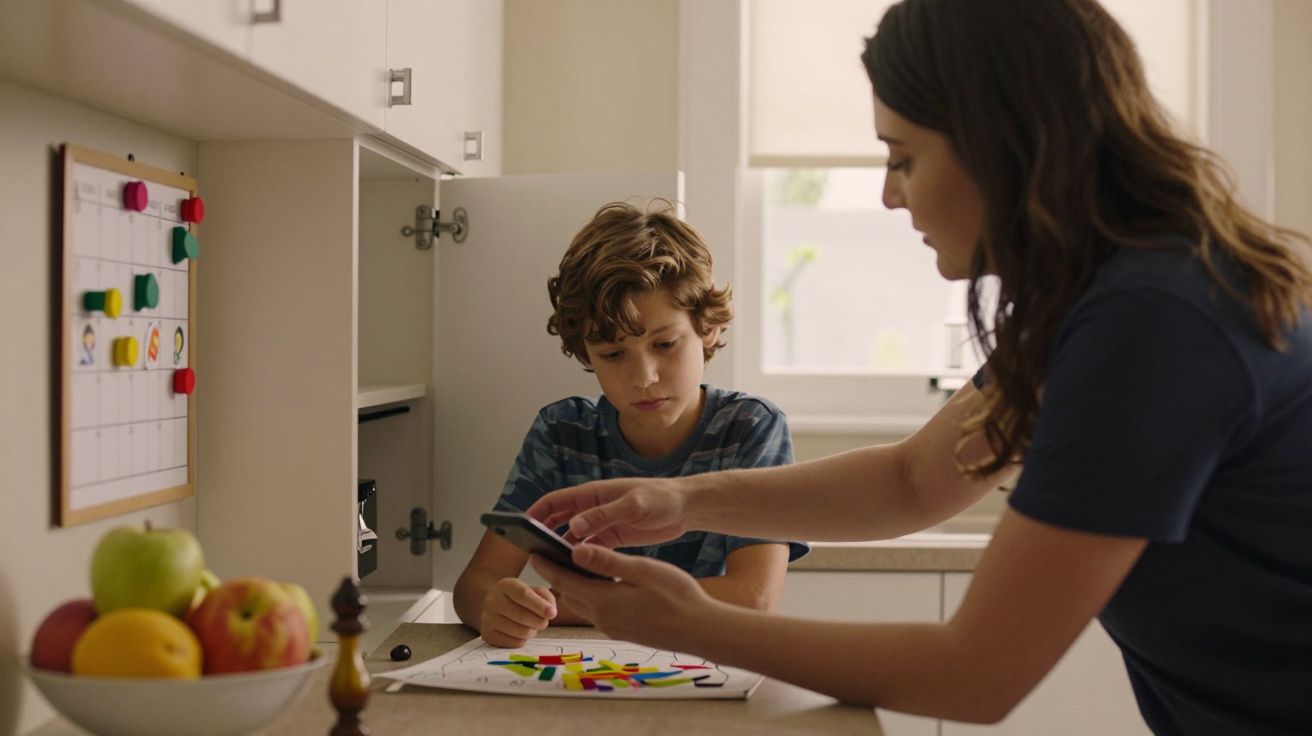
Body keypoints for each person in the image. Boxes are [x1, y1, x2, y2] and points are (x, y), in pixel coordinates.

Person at [523, 1, 1312, 733]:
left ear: (1004, 141)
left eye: (902, 157)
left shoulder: (1152, 323)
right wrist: (681, 501)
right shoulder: (1110, 300)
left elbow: (975, 676)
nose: (889, 195)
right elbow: (911, 481)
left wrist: (692, 626)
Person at [452, 200, 809, 648]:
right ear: (585, 353)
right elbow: (474, 586)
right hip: (585, 672)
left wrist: (568, 605)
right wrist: (496, 607)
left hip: (704, 665)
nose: (643, 378)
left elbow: (752, 599)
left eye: (665, 344)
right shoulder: (562, 432)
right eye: (613, 354)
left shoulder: (751, 428)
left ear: (708, 329)